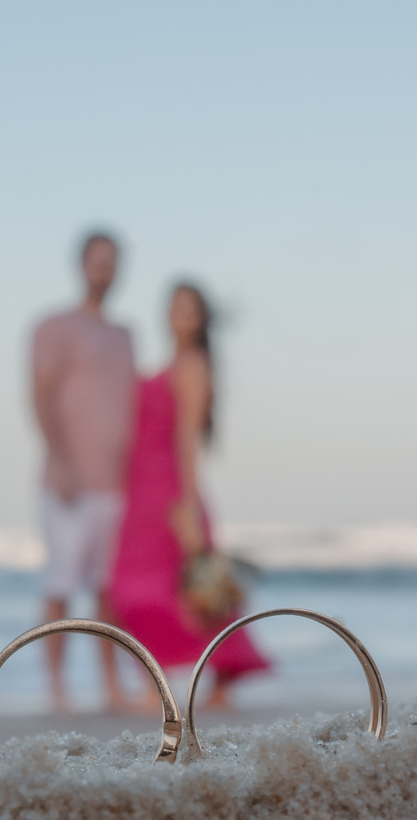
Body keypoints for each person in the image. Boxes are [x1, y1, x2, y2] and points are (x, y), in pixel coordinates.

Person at [109, 281, 269, 709]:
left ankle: (195, 686)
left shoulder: (194, 366)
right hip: (140, 490)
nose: (180, 316)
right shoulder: (170, 364)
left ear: (201, 321)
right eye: (175, 307)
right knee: (136, 589)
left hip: (169, 491)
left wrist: (187, 505)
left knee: (183, 590)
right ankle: (173, 686)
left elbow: (186, 441)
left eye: (189, 310)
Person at [31, 231, 136, 712]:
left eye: (112, 262)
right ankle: (57, 689)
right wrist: (61, 461)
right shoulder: (54, 326)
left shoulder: (124, 334)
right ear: (81, 266)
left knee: (109, 591)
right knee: (62, 585)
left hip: (118, 483)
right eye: (98, 261)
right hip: (69, 483)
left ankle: (112, 688)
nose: (105, 270)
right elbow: (40, 395)